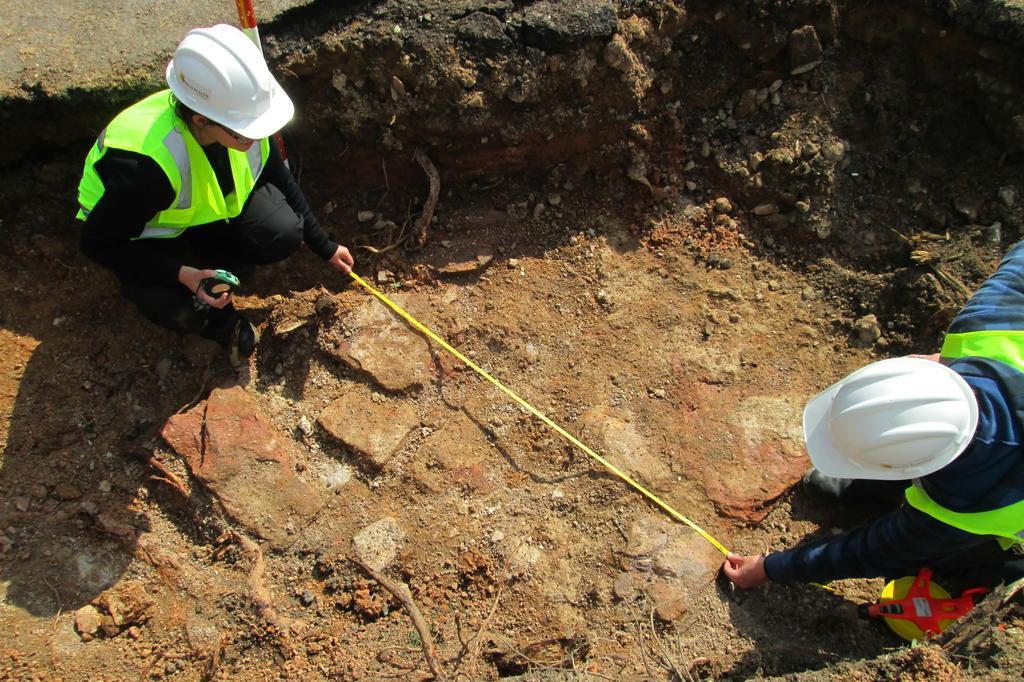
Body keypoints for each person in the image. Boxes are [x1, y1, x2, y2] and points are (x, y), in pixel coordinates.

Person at [724, 240, 1024, 590]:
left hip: (1004, 516)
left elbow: (871, 551)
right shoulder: (990, 322)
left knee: (943, 558)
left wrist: (771, 568)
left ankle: (1002, 570)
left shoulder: (968, 512)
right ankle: (878, 488)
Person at [76, 24, 353, 363]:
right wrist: (184, 275)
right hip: (139, 235)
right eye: (244, 133)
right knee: (171, 306)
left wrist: (323, 244)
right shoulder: (148, 168)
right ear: (201, 119)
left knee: (279, 231)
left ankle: (209, 257)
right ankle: (218, 322)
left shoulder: (240, 120)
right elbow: (97, 244)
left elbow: (277, 174)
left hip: (196, 217)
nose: (254, 137)